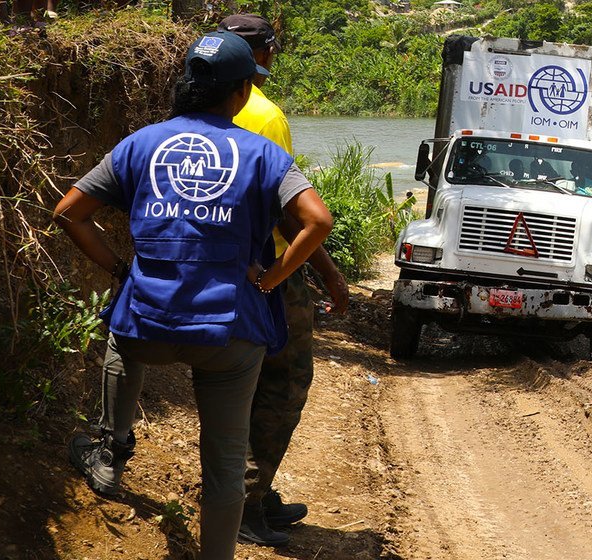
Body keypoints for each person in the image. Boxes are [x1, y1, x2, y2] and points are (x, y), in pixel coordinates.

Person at [58, 30, 333, 560]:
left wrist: (121, 268)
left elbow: (69, 213)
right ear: (242, 92)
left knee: (121, 338)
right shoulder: (264, 155)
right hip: (228, 332)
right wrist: (272, 279)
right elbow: (316, 221)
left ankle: (112, 452)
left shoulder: (140, 143)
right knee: (226, 463)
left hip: (148, 325)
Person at [220, 13, 351, 548]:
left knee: (238, 384)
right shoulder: (264, 114)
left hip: (216, 264)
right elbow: (291, 212)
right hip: (266, 271)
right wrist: (327, 272)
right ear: (262, 55)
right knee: (285, 382)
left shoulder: (197, 106)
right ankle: (246, 504)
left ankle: (250, 489)